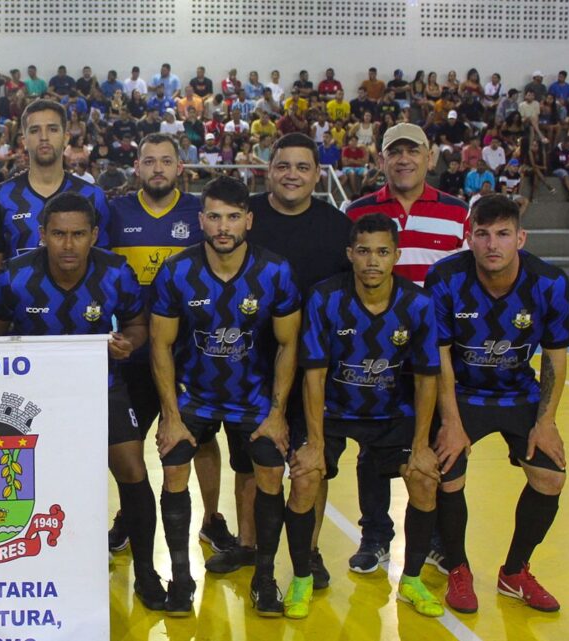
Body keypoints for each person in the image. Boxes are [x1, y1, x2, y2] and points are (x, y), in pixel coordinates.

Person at [0, 190, 167, 610]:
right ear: (43, 234)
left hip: (99, 385)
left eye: (78, 234)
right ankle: (35, 568)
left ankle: (146, 572)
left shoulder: (116, 272)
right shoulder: (13, 277)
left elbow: (138, 324)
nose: (69, 244)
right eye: (59, 234)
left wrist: (128, 342)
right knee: (29, 482)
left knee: (133, 470)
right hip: (31, 396)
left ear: (94, 235)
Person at [151, 176, 304, 617]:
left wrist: (277, 414)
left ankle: (264, 578)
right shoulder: (178, 270)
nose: (223, 226)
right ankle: (181, 579)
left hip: (253, 399)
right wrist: (170, 416)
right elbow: (160, 344)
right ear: (201, 220)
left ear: (249, 220)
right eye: (214, 216)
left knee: (270, 472)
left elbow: (289, 344)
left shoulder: (274, 271)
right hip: (194, 397)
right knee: (175, 464)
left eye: (233, 217)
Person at [206, 133, 352, 585]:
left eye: (302, 167)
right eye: (283, 165)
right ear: (269, 170)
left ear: (317, 174)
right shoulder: (246, 217)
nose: (292, 174)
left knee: (314, 462)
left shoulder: (336, 225)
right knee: (249, 464)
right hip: (248, 368)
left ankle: (308, 554)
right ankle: (248, 545)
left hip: (315, 369)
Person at [426, 194, 569, 615]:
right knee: (447, 475)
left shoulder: (549, 282)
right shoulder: (445, 278)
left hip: (517, 392)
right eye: (483, 234)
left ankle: (514, 573)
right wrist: (451, 421)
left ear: (520, 238)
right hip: (462, 393)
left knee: (550, 478)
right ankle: (457, 567)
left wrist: (547, 421)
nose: (493, 244)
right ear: (468, 238)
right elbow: (441, 357)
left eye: (503, 234)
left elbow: (555, 358)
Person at [299, 212, 444, 617]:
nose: (373, 261)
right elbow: (314, 374)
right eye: (363, 251)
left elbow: (428, 379)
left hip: (390, 410)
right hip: (333, 407)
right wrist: (312, 442)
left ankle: (412, 579)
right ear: (350, 254)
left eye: (382, 252)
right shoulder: (325, 298)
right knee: (306, 474)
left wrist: (420, 445)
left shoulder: (417, 304)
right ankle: (303, 570)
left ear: (397, 255)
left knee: (423, 476)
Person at [343, 123, 469, 574]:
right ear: (381, 160)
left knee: (435, 444)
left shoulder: (457, 213)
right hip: (372, 351)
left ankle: (434, 537)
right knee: (373, 447)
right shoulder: (357, 210)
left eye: (412, 151)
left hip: (432, 354)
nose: (403, 160)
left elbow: (466, 281)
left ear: (429, 156)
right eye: (393, 152)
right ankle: (375, 536)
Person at [105, 134, 229, 556]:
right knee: (129, 440)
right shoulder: (115, 213)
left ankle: (212, 519)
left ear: (181, 168)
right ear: (136, 168)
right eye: (149, 160)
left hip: (192, 352)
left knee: (202, 438)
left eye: (166, 161)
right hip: (135, 350)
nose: (157, 168)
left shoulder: (201, 213)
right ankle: (128, 515)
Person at [0, 100, 110, 279]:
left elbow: (103, 265)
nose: (44, 137)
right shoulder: (0, 197)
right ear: (24, 141)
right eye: (35, 130)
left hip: (78, 306)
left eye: (52, 129)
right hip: (18, 305)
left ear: (65, 138)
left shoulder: (93, 196)